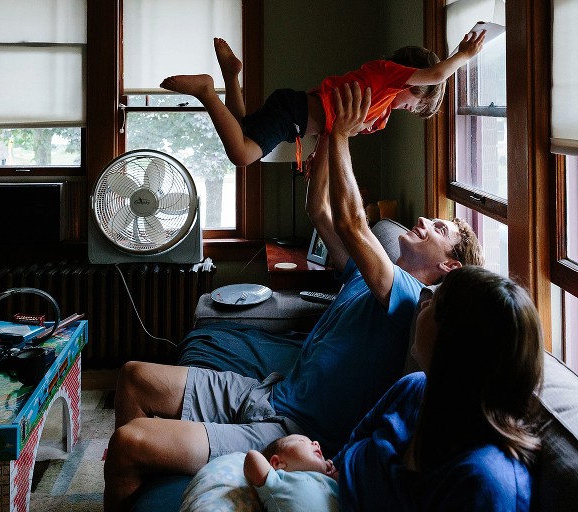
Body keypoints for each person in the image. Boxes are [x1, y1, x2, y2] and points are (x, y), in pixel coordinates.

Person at [103, 80, 483, 511]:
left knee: (128, 442)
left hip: (291, 428)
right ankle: (145, 482)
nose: (424, 220)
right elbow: (319, 211)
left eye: (440, 229)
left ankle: (143, 463)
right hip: (268, 393)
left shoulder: (409, 297)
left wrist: (342, 132)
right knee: (133, 376)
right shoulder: (370, 271)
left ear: (449, 266)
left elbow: (354, 224)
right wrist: (322, 138)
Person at [333, 265, 544, 511]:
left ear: (456, 342)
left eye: (435, 305)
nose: (424, 305)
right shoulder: (412, 389)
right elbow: (339, 460)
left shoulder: (484, 482)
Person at [160, 33, 485, 170]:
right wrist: (464, 55)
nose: (412, 108)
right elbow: (437, 74)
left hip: (295, 117)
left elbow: (334, 129)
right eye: (416, 99)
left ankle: (231, 75)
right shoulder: (387, 75)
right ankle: (206, 90)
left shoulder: (379, 112)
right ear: (411, 77)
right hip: (293, 113)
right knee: (242, 155)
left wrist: (317, 155)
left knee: (241, 128)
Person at [243, 434, 339, 512]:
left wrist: (331, 477)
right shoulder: (278, 481)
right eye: (302, 441)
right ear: (277, 463)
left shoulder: (331, 483)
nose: (316, 443)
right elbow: (252, 456)